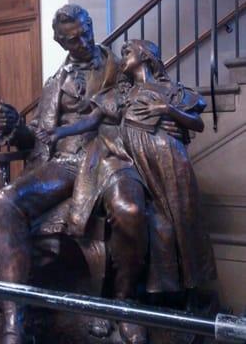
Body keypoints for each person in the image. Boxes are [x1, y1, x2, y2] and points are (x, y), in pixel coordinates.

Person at [0, 5, 149, 344]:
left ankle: (126, 305)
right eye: (73, 40)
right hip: (64, 163)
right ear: (61, 43)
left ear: (90, 26)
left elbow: (140, 103)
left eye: (86, 32)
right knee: (4, 200)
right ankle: (16, 319)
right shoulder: (56, 82)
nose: (83, 42)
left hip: (107, 157)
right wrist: (18, 129)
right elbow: (42, 134)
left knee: (130, 211)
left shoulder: (120, 67)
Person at [44, 39, 216, 305]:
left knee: (185, 221)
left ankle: (192, 292)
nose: (121, 58)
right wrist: (60, 131)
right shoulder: (122, 93)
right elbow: (93, 120)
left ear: (145, 56)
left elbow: (198, 123)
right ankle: (160, 293)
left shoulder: (170, 90)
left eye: (127, 52)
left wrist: (168, 110)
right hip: (138, 161)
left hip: (171, 162)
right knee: (160, 224)